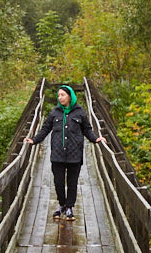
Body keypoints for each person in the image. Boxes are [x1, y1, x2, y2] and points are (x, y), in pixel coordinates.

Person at [24, 84, 108, 220]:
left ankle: (69, 207)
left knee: (72, 182)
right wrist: (34, 140)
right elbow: (45, 129)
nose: (60, 98)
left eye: (62, 95)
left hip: (75, 153)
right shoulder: (54, 112)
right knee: (58, 182)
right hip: (57, 154)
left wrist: (96, 139)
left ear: (70, 96)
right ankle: (61, 204)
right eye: (58, 95)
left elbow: (87, 129)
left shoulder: (80, 112)